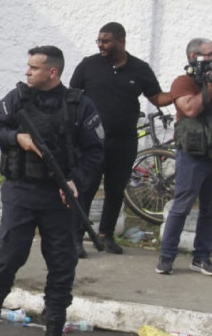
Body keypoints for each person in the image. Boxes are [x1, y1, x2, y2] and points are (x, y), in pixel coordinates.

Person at [0, 46, 104, 336]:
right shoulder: (17, 98)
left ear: (53, 72)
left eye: (34, 67)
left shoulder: (79, 105)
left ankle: (53, 335)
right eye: (27, 66)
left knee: (63, 265)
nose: (27, 72)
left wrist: (75, 180)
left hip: (59, 197)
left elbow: (95, 151)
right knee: (8, 256)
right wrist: (16, 139)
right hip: (21, 191)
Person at [69, 22, 171, 257]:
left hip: (124, 142)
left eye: (105, 41)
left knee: (116, 190)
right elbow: (72, 97)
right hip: (91, 143)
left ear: (121, 41)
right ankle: (75, 238)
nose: (100, 45)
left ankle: (106, 235)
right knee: (86, 188)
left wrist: (179, 93)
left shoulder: (140, 69)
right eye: (99, 41)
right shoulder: (88, 65)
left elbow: (156, 96)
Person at [155, 38, 212, 276]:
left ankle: (201, 257)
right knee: (182, 207)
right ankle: (166, 257)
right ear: (193, 57)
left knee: (210, 210)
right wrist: (209, 86)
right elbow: (190, 109)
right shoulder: (184, 82)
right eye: (209, 55)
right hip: (192, 155)